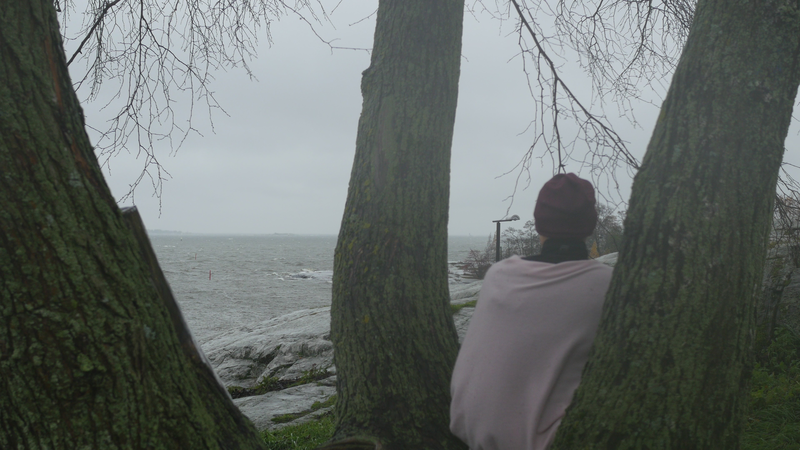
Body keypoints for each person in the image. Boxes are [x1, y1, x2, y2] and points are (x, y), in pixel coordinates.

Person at [449, 173, 613, 449]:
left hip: (469, 428)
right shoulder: (605, 284)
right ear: (589, 225)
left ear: (539, 223)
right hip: (538, 442)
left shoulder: (499, 275)